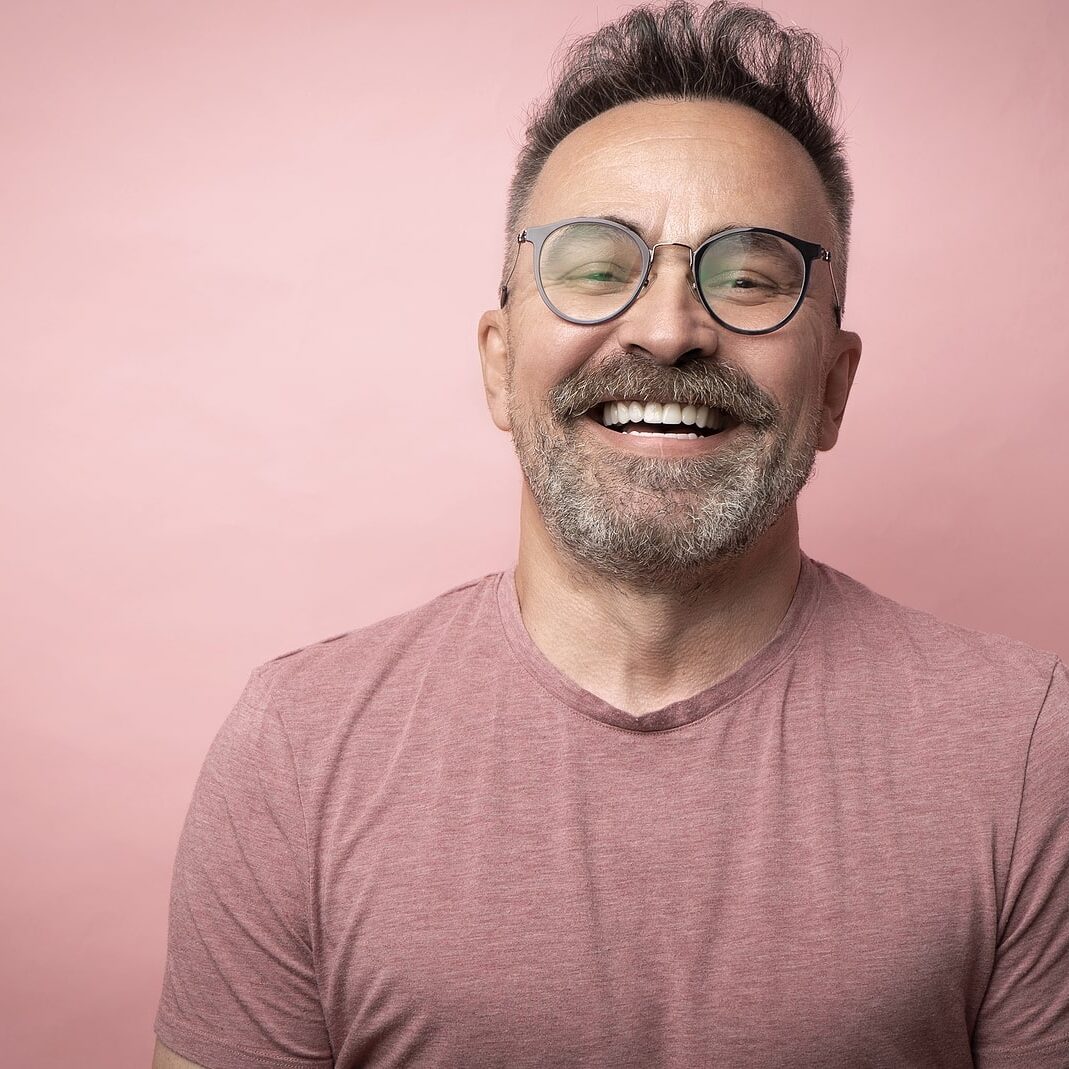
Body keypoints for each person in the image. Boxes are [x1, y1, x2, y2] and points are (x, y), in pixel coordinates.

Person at [152, 3, 1068, 1067]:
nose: (669, 327)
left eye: (748, 276)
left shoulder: (1023, 750)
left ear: (832, 385)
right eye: (595, 266)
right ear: (497, 363)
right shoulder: (297, 748)